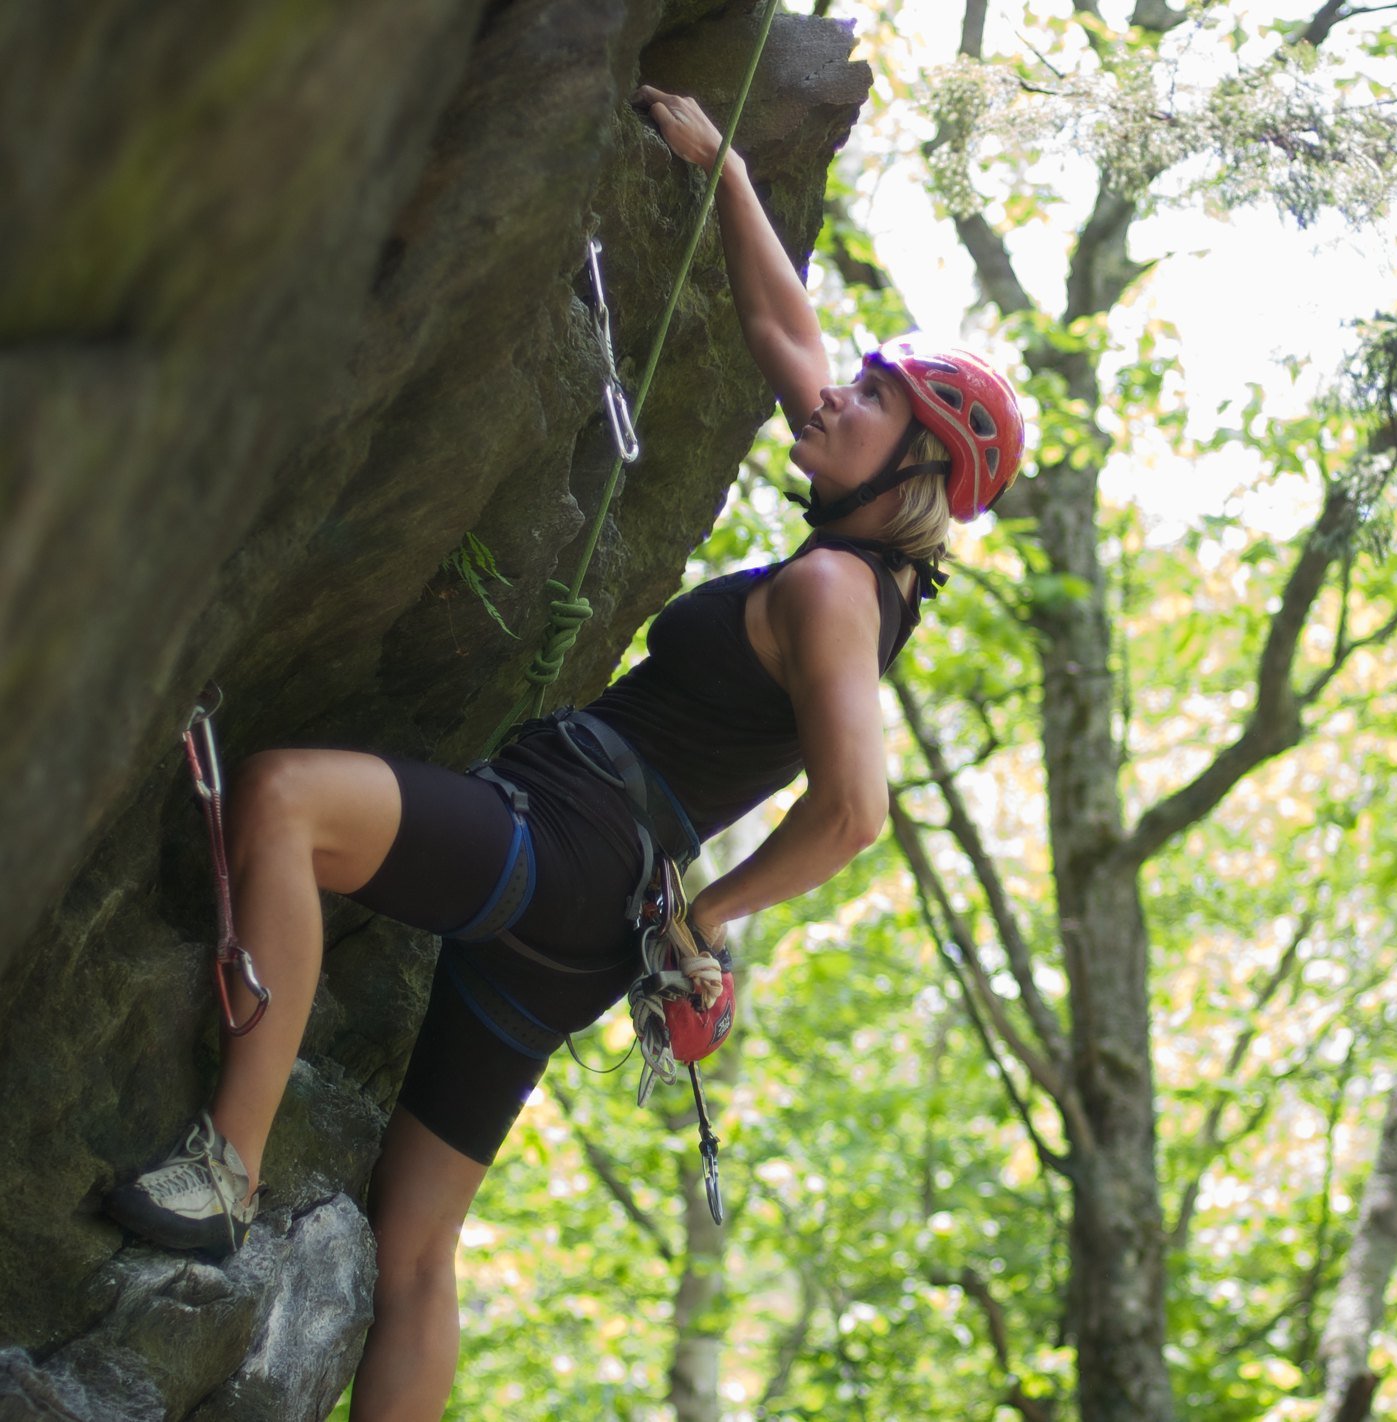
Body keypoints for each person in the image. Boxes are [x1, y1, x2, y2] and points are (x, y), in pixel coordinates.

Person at [103, 85, 1023, 1419]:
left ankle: (225, 1170)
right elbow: (784, 329)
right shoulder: (865, 574)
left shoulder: (835, 594)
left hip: (571, 847)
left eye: (874, 399)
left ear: (915, 472)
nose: (839, 394)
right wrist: (723, 174)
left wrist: (712, 911)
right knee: (417, 1244)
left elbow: (856, 811)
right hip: (592, 916)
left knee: (289, 800)